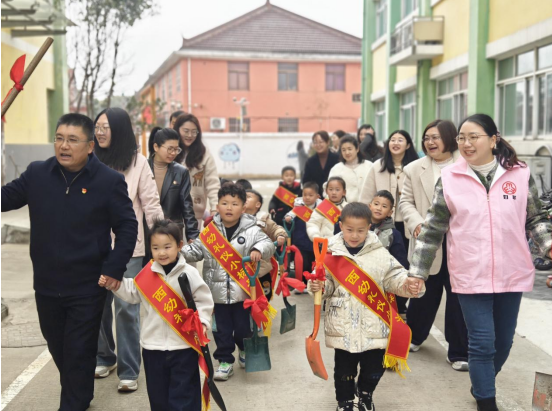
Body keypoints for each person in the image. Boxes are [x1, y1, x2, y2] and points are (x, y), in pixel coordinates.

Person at [407, 114, 552, 411]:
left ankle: (481, 381)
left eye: (474, 136)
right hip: (469, 273)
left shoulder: (520, 175)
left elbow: (535, 220)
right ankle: (487, 400)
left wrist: (549, 247)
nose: (466, 143)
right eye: (462, 137)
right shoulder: (449, 179)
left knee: (503, 343)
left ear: (493, 139)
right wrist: (418, 272)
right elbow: (433, 229)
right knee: (482, 343)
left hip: (512, 272)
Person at [1, 113, 138, 411]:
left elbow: (127, 227)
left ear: (90, 146)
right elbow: (4, 198)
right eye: (59, 138)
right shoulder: (37, 173)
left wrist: (114, 268)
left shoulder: (108, 181)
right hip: (47, 283)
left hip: (88, 285)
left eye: (72, 140)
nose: (64, 146)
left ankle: (73, 403)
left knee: (78, 350)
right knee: (59, 347)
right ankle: (81, 390)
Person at [308, 202, 423, 411]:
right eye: (349, 229)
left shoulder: (380, 253)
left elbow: (394, 278)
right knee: (344, 371)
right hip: (343, 327)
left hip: (374, 326)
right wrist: (318, 286)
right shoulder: (330, 252)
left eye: (360, 230)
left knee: (373, 370)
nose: (354, 235)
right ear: (340, 225)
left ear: (369, 227)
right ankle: (344, 402)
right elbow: (326, 288)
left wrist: (409, 284)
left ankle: (365, 394)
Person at [99, 219, 213, 411]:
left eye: (167, 247)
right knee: (158, 397)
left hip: (183, 346)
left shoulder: (189, 273)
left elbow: (204, 300)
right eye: (156, 247)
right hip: (153, 349)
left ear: (179, 246)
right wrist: (114, 283)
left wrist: (202, 322)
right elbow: (133, 292)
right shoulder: (147, 274)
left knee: (184, 396)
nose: (162, 252)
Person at [93, 107, 164, 392]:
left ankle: (129, 369)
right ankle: (104, 356)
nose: (99, 132)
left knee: (126, 308)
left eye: (105, 127)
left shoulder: (138, 163)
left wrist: (161, 243)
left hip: (128, 248)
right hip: (93, 247)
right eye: (97, 126)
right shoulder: (89, 159)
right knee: (97, 306)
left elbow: (151, 204)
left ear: (120, 129)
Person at [181, 183, 275, 381]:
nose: (229, 208)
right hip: (216, 295)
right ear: (218, 206)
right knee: (220, 330)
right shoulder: (210, 232)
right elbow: (196, 251)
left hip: (242, 293)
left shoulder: (252, 229)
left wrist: (258, 249)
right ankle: (224, 360)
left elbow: (267, 243)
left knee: (243, 328)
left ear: (243, 207)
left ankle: (243, 349)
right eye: (224, 203)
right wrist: (178, 252)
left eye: (235, 203)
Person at [398, 119, 468, 371]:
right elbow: (405, 202)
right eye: (427, 137)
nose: (430, 142)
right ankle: (414, 336)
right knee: (423, 292)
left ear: (450, 138)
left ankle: (459, 351)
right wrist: (417, 223)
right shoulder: (414, 168)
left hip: (461, 243)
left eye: (436, 137)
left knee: (459, 297)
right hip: (428, 240)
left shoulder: (467, 164)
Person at [360, 130, 419, 252]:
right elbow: (366, 197)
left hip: (410, 224)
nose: (395, 143)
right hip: (382, 224)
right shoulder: (377, 166)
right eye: (392, 140)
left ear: (408, 145)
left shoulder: (416, 167)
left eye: (400, 140)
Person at [147, 127, 199, 245]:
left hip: (172, 232)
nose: (173, 153)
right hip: (148, 231)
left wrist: (192, 234)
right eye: (170, 149)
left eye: (176, 149)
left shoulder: (181, 172)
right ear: (156, 147)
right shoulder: (143, 168)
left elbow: (186, 205)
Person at [174, 114, 221, 228]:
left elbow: (213, 184)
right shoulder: (171, 151)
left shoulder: (204, 155)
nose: (190, 135)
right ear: (177, 129)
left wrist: (215, 209)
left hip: (194, 215)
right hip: (170, 214)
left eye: (194, 132)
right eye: (186, 131)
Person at [368, 190, 410, 318]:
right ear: (369, 205)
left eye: (384, 206)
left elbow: (401, 262)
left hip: (382, 281)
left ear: (390, 212)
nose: (379, 208)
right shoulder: (359, 227)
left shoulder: (394, 234)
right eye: (376, 204)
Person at [245, 189, 287, 300]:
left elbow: (276, 228)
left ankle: (262, 313)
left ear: (257, 204)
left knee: (265, 295)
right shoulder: (235, 219)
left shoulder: (263, 219)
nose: (244, 198)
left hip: (262, 268)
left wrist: (280, 235)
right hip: (243, 269)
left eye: (248, 197)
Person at [285, 182, 322, 288]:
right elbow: (290, 215)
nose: (307, 197)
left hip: (314, 242)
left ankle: (313, 284)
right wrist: (288, 218)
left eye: (310, 195)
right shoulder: (299, 206)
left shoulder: (321, 208)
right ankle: (302, 284)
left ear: (317, 196)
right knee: (302, 264)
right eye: (305, 195)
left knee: (314, 264)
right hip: (300, 241)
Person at [326, 135, 373, 202]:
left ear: (357, 149)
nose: (347, 152)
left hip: (367, 208)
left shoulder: (369, 166)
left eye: (349, 149)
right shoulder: (336, 169)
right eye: (343, 150)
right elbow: (329, 190)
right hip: (344, 209)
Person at [307, 176, 348, 240]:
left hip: (344, 245)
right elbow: (313, 223)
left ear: (344, 192)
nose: (334, 192)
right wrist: (316, 236)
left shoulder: (348, 208)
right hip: (325, 244)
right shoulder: (322, 207)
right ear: (326, 191)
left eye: (337, 190)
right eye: (331, 189)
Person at [302, 131, 340, 197]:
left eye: (321, 142)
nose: (318, 145)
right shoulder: (310, 161)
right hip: (316, 198)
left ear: (327, 142)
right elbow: (306, 181)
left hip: (334, 197)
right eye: (315, 142)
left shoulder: (337, 158)